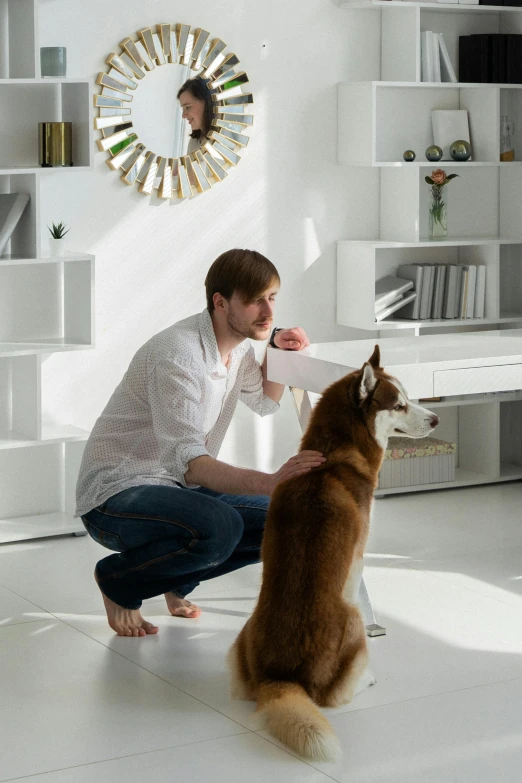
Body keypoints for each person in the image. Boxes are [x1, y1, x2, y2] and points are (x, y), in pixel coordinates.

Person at [76, 248, 325, 638]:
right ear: (221, 302)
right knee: (221, 526)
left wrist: (276, 347)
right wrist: (268, 480)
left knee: (290, 515)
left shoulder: (238, 347)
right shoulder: (178, 354)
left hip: (176, 484)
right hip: (116, 494)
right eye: (254, 299)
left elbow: (263, 401)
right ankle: (119, 582)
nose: (267, 311)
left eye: (272, 297)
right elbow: (189, 462)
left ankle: (176, 580)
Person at [177, 77, 214, 154]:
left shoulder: (227, 139)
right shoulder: (194, 144)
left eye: (188, 107)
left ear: (207, 103)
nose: (183, 115)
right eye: (183, 108)